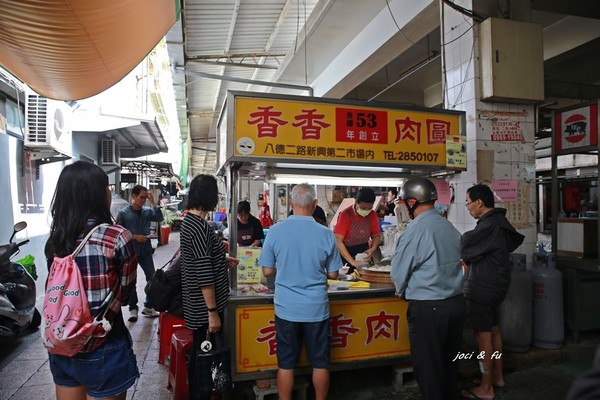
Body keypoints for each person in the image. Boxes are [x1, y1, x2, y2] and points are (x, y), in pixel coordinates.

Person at [44, 161, 139, 400]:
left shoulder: (55, 240)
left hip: (62, 346)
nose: (109, 191)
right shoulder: (116, 236)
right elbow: (126, 293)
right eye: (106, 186)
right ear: (96, 193)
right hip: (104, 344)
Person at [259, 183, 342, 400]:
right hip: (316, 308)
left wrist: (285, 264)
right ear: (315, 205)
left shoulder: (276, 231)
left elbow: (267, 271)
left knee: (286, 364)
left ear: (291, 203)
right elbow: (334, 274)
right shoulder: (326, 233)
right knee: (320, 362)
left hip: (286, 308)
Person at [390, 177, 464, 400]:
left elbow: (399, 274)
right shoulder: (449, 227)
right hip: (456, 305)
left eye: (404, 203)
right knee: (449, 367)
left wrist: (401, 292)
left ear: (412, 201)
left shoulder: (415, 231)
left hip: (429, 310)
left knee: (429, 369)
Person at [461, 184, 525, 400]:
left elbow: (465, 247)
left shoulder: (487, 226)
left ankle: (486, 388)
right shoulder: (499, 222)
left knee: (483, 336)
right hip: (496, 286)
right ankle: (496, 377)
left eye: (468, 202)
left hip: (482, 288)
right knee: (494, 331)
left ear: (479, 202)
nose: (468, 207)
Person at [180, 174, 239, 400]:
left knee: (201, 353)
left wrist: (222, 260)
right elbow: (204, 274)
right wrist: (212, 312)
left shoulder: (193, 223)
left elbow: (201, 260)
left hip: (198, 304)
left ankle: (200, 391)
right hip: (203, 308)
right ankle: (201, 393)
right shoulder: (198, 227)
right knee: (205, 356)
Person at [116, 184, 164, 321]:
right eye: (141, 197)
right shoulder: (124, 214)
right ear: (133, 196)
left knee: (152, 277)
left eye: (145, 198)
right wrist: (134, 236)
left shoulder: (147, 212)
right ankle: (133, 308)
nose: (143, 200)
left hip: (146, 250)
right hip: (131, 251)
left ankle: (148, 305)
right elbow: (119, 232)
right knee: (131, 279)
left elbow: (159, 218)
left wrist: (154, 202)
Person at [333, 187, 381, 273]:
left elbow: (376, 235)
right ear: (356, 202)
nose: (366, 211)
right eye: (363, 208)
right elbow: (338, 241)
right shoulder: (345, 215)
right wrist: (352, 262)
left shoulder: (372, 215)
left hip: (363, 254)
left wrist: (372, 249)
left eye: (369, 208)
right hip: (345, 256)